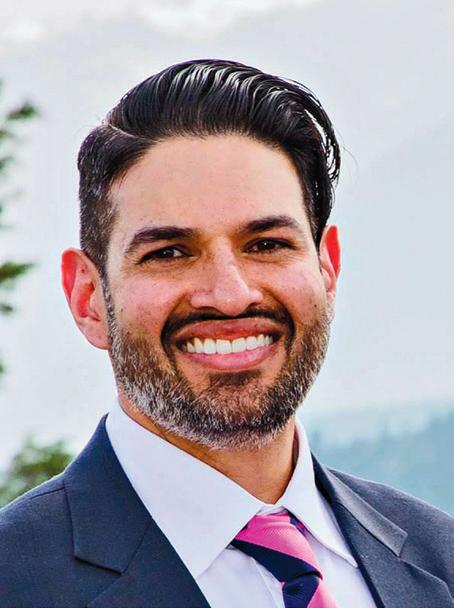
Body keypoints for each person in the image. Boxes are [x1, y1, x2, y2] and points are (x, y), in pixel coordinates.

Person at [0, 59, 452, 608]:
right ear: (88, 298)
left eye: (267, 244)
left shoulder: (441, 559)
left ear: (326, 268)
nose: (231, 295)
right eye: (170, 252)